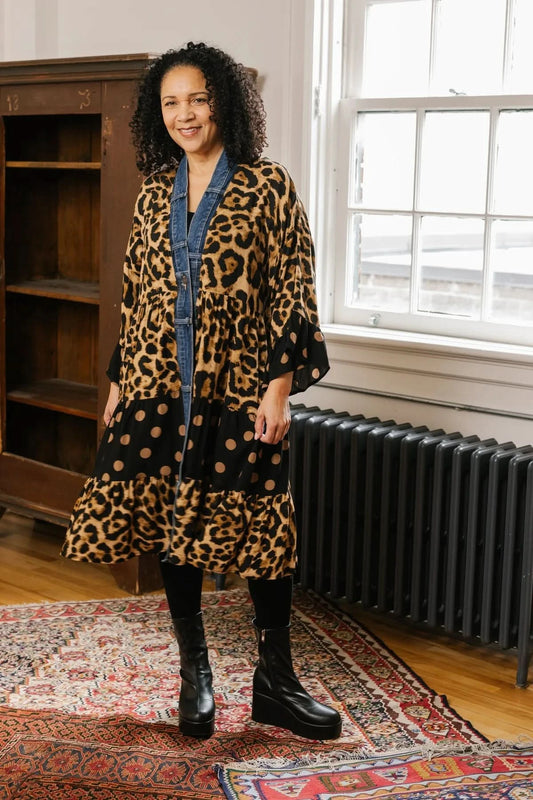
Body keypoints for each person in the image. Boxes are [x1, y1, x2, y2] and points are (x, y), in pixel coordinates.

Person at [62, 41, 341, 742]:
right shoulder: (155, 192)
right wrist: (123, 380)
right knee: (170, 520)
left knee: (262, 528)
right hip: (159, 386)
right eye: (171, 102)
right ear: (158, 114)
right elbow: (138, 293)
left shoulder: (266, 186)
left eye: (198, 98)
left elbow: (292, 294)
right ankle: (198, 675)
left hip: (238, 387)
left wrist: (278, 391)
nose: (185, 114)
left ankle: (276, 681)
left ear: (225, 102)